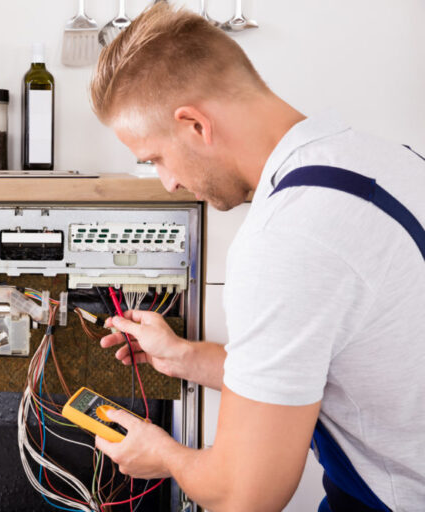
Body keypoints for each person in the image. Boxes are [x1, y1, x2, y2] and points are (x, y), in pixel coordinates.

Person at [90, 3, 425, 511]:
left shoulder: (287, 237)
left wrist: (162, 455)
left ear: (195, 126)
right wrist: (182, 357)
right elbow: (308, 363)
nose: (169, 182)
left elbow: (245, 497)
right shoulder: (390, 161)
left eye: (155, 157)